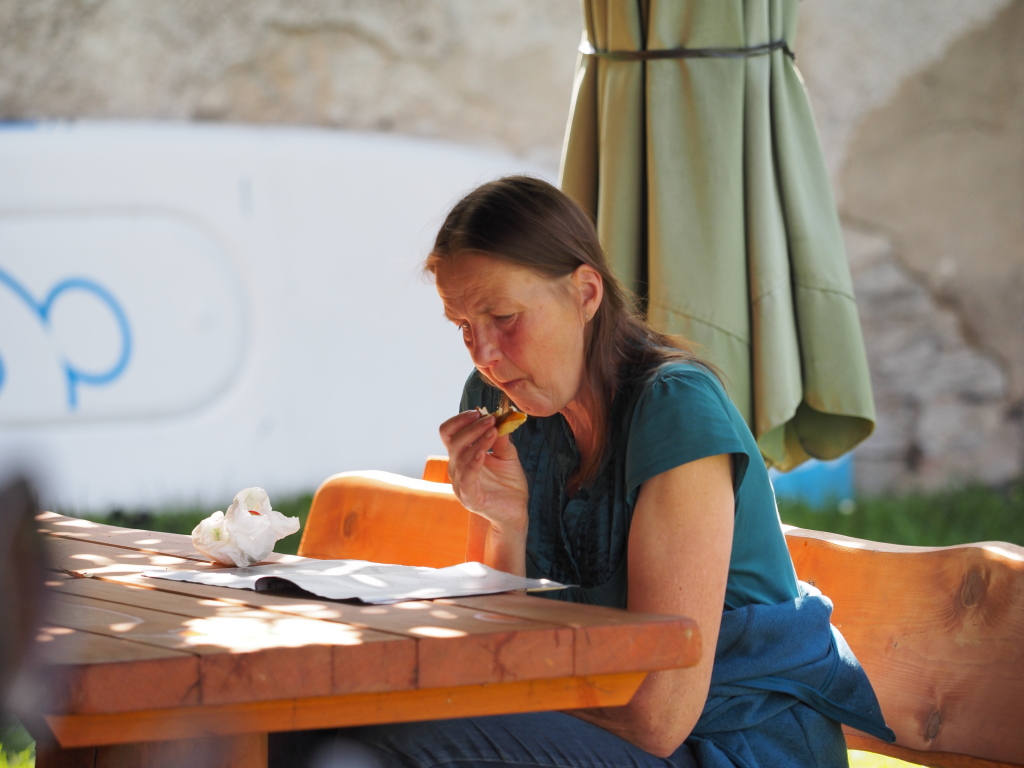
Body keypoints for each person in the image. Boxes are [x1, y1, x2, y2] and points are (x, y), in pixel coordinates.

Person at [271, 176, 893, 768]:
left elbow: (658, 715)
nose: (484, 355)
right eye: (464, 328)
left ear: (586, 294)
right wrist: (504, 522)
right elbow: (495, 646)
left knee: (377, 742)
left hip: (730, 744)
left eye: (503, 318)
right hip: (593, 726)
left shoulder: (674, 409)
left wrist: (487, 690)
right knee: (294, 723)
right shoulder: (500, 401)